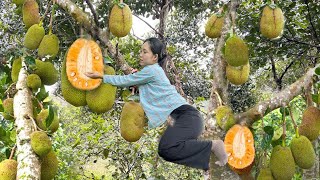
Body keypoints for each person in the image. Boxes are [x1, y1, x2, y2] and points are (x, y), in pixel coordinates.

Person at [85, 37, 228, 172]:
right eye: (140, 51)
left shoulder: (152, 70)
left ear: (155, 57)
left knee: (167, 148)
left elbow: (124, 80)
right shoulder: (153, 72)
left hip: (188, 116)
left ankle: (214, 146)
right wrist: (137, 82)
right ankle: (209, 161)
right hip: (187, 117)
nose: (140, 54)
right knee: (166, 150)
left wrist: (100, 76)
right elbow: (144, 87)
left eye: (145, 52)